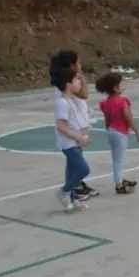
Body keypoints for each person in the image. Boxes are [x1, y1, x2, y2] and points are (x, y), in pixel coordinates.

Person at [50, 51, 99, 198]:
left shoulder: (69, 81)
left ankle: (72, 189)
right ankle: (70, 188)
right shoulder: (69, 81)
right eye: (79, 62)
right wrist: (81, 79)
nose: (81, 65)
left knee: (74, 160)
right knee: (78, 165)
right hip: (71, 131)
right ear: (72, 65)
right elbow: (84, 94)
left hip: (76, 127)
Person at [50, 66, 91, 212]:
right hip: (68, 143)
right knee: (83, 169)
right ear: (68, 85)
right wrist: (79, 137)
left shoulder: (71, 101)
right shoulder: (62, 103)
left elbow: (76, 122)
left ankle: (73, 199)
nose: (79, 83)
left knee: (72, 171)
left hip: (75, 141)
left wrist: (83, 135)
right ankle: (64, 192)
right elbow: (61, 126)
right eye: (76, 80)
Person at [95, 72, 139, 194]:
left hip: (111, 131)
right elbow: (128, 117)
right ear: (115, 88)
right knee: (118, 160)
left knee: (117, 158)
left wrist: (108, 130)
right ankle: (119, 185)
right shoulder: (122, 102)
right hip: (120, 132)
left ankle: (120, 179)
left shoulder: (106, 103)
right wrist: (137, 131)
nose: (124, 87)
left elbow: (107, 119)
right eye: (122, 85)